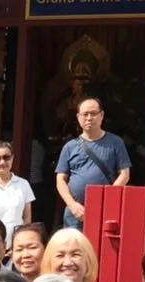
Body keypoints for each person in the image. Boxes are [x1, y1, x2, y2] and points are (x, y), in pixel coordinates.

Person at [55, 97, 131, 229]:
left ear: (101, 115)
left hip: (105, 210)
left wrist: (108, 198)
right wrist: (72, 204)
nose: (89, 118)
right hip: (76, 212)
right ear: (78, 117)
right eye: (85, 114)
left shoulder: (115, 142)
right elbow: (60, 179)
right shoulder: (69, 147)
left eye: (93, 113)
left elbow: (125, 174)